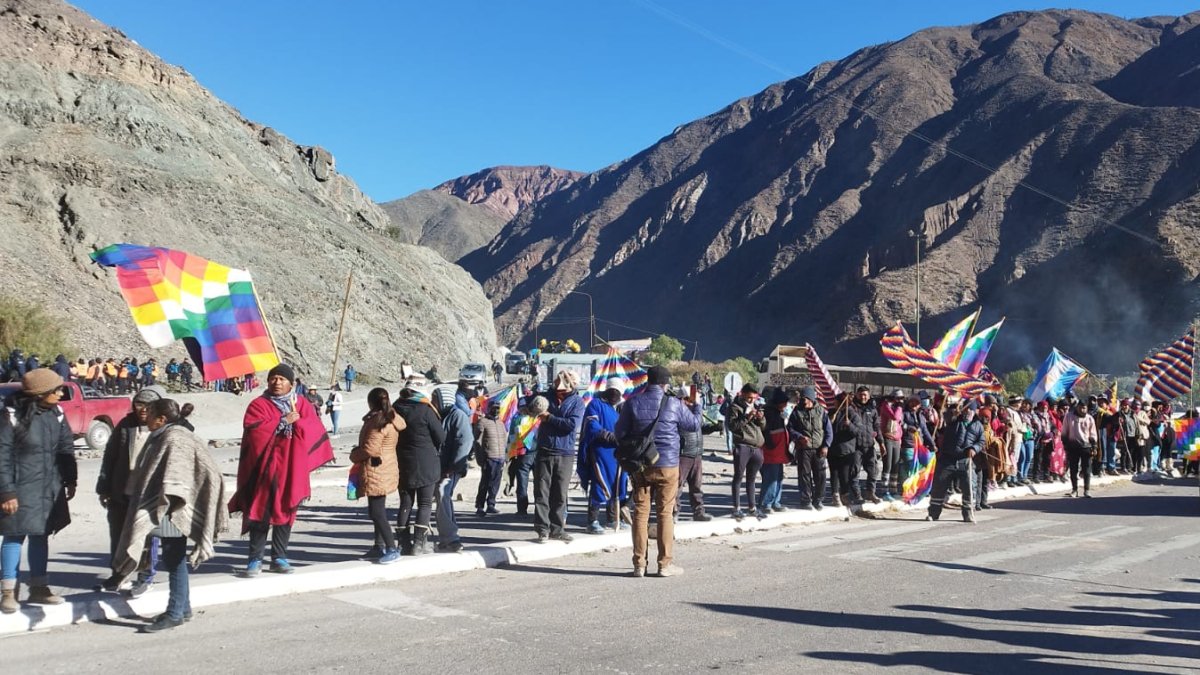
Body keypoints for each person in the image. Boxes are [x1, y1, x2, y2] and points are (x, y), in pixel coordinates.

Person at [111, 398, 226, 632]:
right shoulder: (168, 435)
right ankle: (183, 609)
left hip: (172, 509)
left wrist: (170, 498)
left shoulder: (174, 438)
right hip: (168, 506)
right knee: (175, 560)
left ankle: (174, 612)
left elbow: (178, 476)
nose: (146, 415)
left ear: (162, 418)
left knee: (173, 561)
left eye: (150, 413)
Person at [228, 364, 333, 577]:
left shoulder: (301, 404)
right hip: (264, 470)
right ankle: (255, 559)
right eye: (273, 378)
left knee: (286, 511)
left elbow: (314, 429)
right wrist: (281, 421)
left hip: (291, 469)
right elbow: (254, 430)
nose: (277, 382)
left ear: (291, 384)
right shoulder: (258, 404)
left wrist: (298, 422)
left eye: (282, 379)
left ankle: (279, 557)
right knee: (260, 513)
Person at [0, 369, 77, 613]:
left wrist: (70, 479)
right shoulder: (11, 416)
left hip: (48, 486)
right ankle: (8, 592)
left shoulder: (57, 413)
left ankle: (39, 587)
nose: (61, 393)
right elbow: (2, 456)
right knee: (14, 536)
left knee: (40, 535)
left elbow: (65, 447)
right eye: (57, 390)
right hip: (19, 487)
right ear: (40, 393)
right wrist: (6, 492)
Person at [615, 365, 700, 577]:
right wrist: (695, 406)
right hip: (668, 465)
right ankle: (664, 565)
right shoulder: (674, 403)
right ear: (665, 383)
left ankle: (639, 565)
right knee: (665, 514)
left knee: (640, 514)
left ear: (648, 381)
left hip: (641, 465)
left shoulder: (632, 403)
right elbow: (694, 425)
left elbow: (620, 433)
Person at [96, 385, 166, 596]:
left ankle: (146, 576)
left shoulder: (164, 428)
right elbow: (110, 457)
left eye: (148, 405)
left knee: (146, 536)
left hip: (148, 495)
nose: (142, 409)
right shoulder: (126, 425)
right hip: (122, 490)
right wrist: (104, 486)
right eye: (139, 404)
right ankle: (118, 574)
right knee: (118, 534)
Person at [350, 388, 404, 563]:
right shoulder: (391, 418)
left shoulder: (378, 421)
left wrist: (354, 455)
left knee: (377, 512)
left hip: (376, 469)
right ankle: (378, 546)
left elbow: (371, 449)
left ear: (371, 402)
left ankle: (391, 547)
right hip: (387, 467)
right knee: (377, 509)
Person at [532, 371, 584, 542]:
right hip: (545, 450)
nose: (555, 381)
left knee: (560, 494)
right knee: (541, 492)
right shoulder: (546, 397)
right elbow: (528, 403)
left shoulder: (577, 402)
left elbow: (571, 425)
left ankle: (557, 529)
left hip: (565, 453)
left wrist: (550, 418)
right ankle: (542, 529)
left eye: (559, 379)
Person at [393, 386, 444, 555]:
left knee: (405, 503)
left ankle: (403, 543)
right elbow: (441, 436)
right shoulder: (425, 409)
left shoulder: (395, 408)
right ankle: (419, 544)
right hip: (426, 462)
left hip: (402, 462)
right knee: (425, 503)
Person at [578, 378, 627, 533]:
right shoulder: (596, 404)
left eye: (617, 392)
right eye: (612, 391)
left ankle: (612, 519)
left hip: (617, 453)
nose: (614, 394)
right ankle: (592, 521)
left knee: (618, 483)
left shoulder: (620, 407)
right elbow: (591, 425)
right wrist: (607, 435)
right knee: (600, 483)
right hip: (600, 451)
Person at [926, 400, 982, 524]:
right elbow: (947, 416)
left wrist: (974, 449)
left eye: (970, 409)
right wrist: (953, 411)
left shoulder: (978, 425)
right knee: (939, 487)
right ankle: (933, 513)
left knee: (969, 488)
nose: (968, 412)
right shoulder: (954, 419)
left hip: (965, 460)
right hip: (947, 459)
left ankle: (968, 514)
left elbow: (981, 442)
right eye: (966, 409)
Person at [433, 387, 473, 553]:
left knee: (443, 495)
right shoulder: (440, 415)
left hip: (451, 469)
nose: (432, 402)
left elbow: (465, 443)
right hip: (440, 468)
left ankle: (451, 539)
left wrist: (453, 467)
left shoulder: (458, 416)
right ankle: (447, 537)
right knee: (444, 499)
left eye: (435, 398)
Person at [788, 386, 832, 510]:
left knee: (820, 476)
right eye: (802, 399)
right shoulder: (797, 412)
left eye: (806, 399)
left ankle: (818, 500)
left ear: (811, 399)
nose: (803, 401)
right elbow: (790, 428)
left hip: (819, 449)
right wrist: (799, 436)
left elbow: (828, 431)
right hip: (803, 449)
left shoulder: (821, 411)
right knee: (804, 475)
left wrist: (826, 446)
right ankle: (805, 500)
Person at [726, 383, 766, 519]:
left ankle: (752, 508)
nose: (751, 400)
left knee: (752, 479)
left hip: (756, 447)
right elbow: (732, 426)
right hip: (742, 445)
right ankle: (736, 508)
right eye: (749, 398)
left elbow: (763, 426)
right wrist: (746, 417)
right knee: (738, 477)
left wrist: (761, 418)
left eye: (754, 398)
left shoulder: (754, 406)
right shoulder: (734, 407)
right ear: (742, 394)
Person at [676, 384, 711, 522]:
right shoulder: (678, 411)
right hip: (683, 454)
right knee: (677, 486)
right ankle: (674, 512)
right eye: (687, 399)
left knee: (696, 487)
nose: (690, 402)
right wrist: (697, 406)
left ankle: (698, 512)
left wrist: (713, 427)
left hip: (696, 454)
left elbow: (699, 426)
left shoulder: (693, 412)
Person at [759, 388, 791, 513]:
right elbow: (766, 431)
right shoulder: (769, 412)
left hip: (779, 451)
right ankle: (766, 503)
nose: (786, 406)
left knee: (778, 477)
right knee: (770, 478)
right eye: (784, 403)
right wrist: (770, 444)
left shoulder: (779, 412)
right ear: (779, 402)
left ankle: (776, 502)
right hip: (771, 451)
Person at [849, 386, 882, 504]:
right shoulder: (851, 408)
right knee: (854, 471)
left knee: (874, 470)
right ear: (857, 395)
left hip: (869, 445)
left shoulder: (872, 409)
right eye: (861, 394)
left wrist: (881, 442)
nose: (863, 397)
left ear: (869, 396)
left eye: (865, 395)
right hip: (856, 445)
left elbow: (877, 426)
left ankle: (870, 492)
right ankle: (856, 495)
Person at [474, 400, 507, 519]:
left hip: (500, 457)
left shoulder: (501, 423)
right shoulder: (482, 422)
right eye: (494, 408)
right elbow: (477, 442)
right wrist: (480, 459)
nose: (496, 410)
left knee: (495, 483)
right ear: (489, 408)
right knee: (485, 483)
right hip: (489, 457)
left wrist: (505, 457)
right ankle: (480, 506)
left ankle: (491, 504)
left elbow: (504, 440)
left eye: (498, 408)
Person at [899, 394, 934, 497]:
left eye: (917, 402)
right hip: (908, 444)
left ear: (919, 404)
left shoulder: (921, 416)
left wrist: (932, 444)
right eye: (912, 402)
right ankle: (905, 490)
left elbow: (925, 431)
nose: (914, 404)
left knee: (921, 467)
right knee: (910, 467)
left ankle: (916, 489)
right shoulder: (904, 413)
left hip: (920, 446)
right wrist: (908, 427)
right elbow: (900, 423)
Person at [1062, 400, 1097, 498]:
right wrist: (1065, 444)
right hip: (1073, 446)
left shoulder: (1089, 418)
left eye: (1084, 408)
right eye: (1080, 407)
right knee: (1073, 469)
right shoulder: (1069, 417)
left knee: (1086, 470)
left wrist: (1094, 446)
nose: (1082, 410)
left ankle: (1087, 490)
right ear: (1077, 407)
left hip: (1086, 446)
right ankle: (1074, 490)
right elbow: (1064, 431)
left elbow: (1093, 433)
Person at [878, 389, 905, 501]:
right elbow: (895, 417)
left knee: (895, 465)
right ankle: (885, 490)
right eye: (898, 398)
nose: (900, 401)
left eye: (901, 399)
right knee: (887, 464)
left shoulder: (898, 408)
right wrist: (899, 407)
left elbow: (900, 422)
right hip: (888, 438)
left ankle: (893, 489)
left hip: (897, 439)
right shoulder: (886, 405)